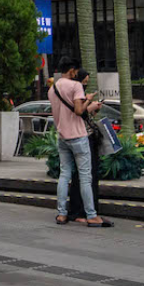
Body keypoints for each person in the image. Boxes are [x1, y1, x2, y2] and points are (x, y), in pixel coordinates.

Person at [48, 57, 111, 227]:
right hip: (78, 137)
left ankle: (62, 214)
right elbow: (78, 111)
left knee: (64, 175)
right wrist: (88, 100)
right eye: (76, 71)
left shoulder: (53, 88)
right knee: (85, 177)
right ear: (72, 70)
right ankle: (91, 215)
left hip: (62, 137)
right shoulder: (75, 86)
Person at [66, 69, 108, 223]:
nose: (84, 85)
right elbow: (77, 114)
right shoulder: (74, 93)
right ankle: (80, 212)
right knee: (83, 176)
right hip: (81, 137)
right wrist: (89, 105)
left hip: (87, 137)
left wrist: (93, 110)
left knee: (88, 175)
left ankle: (86, 211)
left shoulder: (76, 93)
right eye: (84, 82)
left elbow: (83, 116)